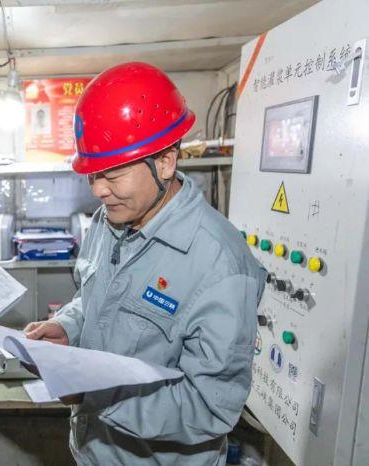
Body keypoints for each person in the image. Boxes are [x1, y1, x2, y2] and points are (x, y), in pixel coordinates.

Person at [24, 62, 266, 465]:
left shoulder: (220, 265)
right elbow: (96, 299)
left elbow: (209, 407)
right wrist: (67, 327)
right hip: (92, 453)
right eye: (92, 174)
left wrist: (93, 395)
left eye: (113, 174)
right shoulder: (108, 220)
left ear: (166, 162)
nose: (99, 190)